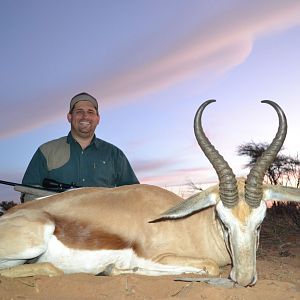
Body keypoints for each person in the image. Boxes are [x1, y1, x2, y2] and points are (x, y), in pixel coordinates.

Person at [20, 92, 139, 201]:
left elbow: (135, 195)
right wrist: (57, 203)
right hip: (57, 222)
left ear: (98, 119)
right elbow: (27, 193)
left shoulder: (115, 154)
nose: (85, 116)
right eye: (79, 111)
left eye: (90, 112)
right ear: (70, 117)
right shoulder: (46, 151)